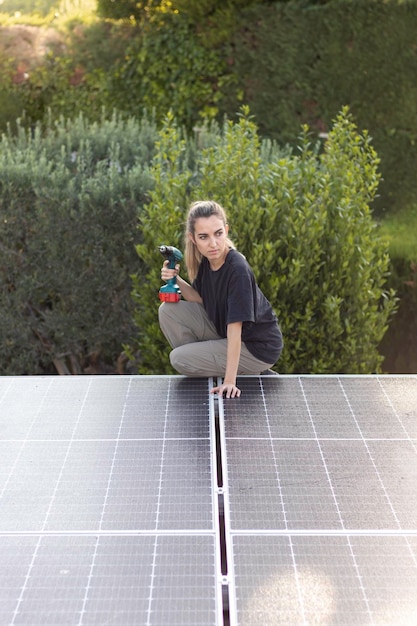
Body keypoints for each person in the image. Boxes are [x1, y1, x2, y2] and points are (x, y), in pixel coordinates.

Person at [159, 200, 283, 398]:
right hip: (225, 333)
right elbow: (199, 298)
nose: (213, 243)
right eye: (204, 237)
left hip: (256, 347)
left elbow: (235, 329)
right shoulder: (208, 263)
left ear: (226, 230)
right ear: (193, 239)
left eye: (218, 234)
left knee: (179, 359)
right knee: (167, 310)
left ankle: (249, 370)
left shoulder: (237, 270)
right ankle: (209, 361)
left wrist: (230, 382)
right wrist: (176, 278)